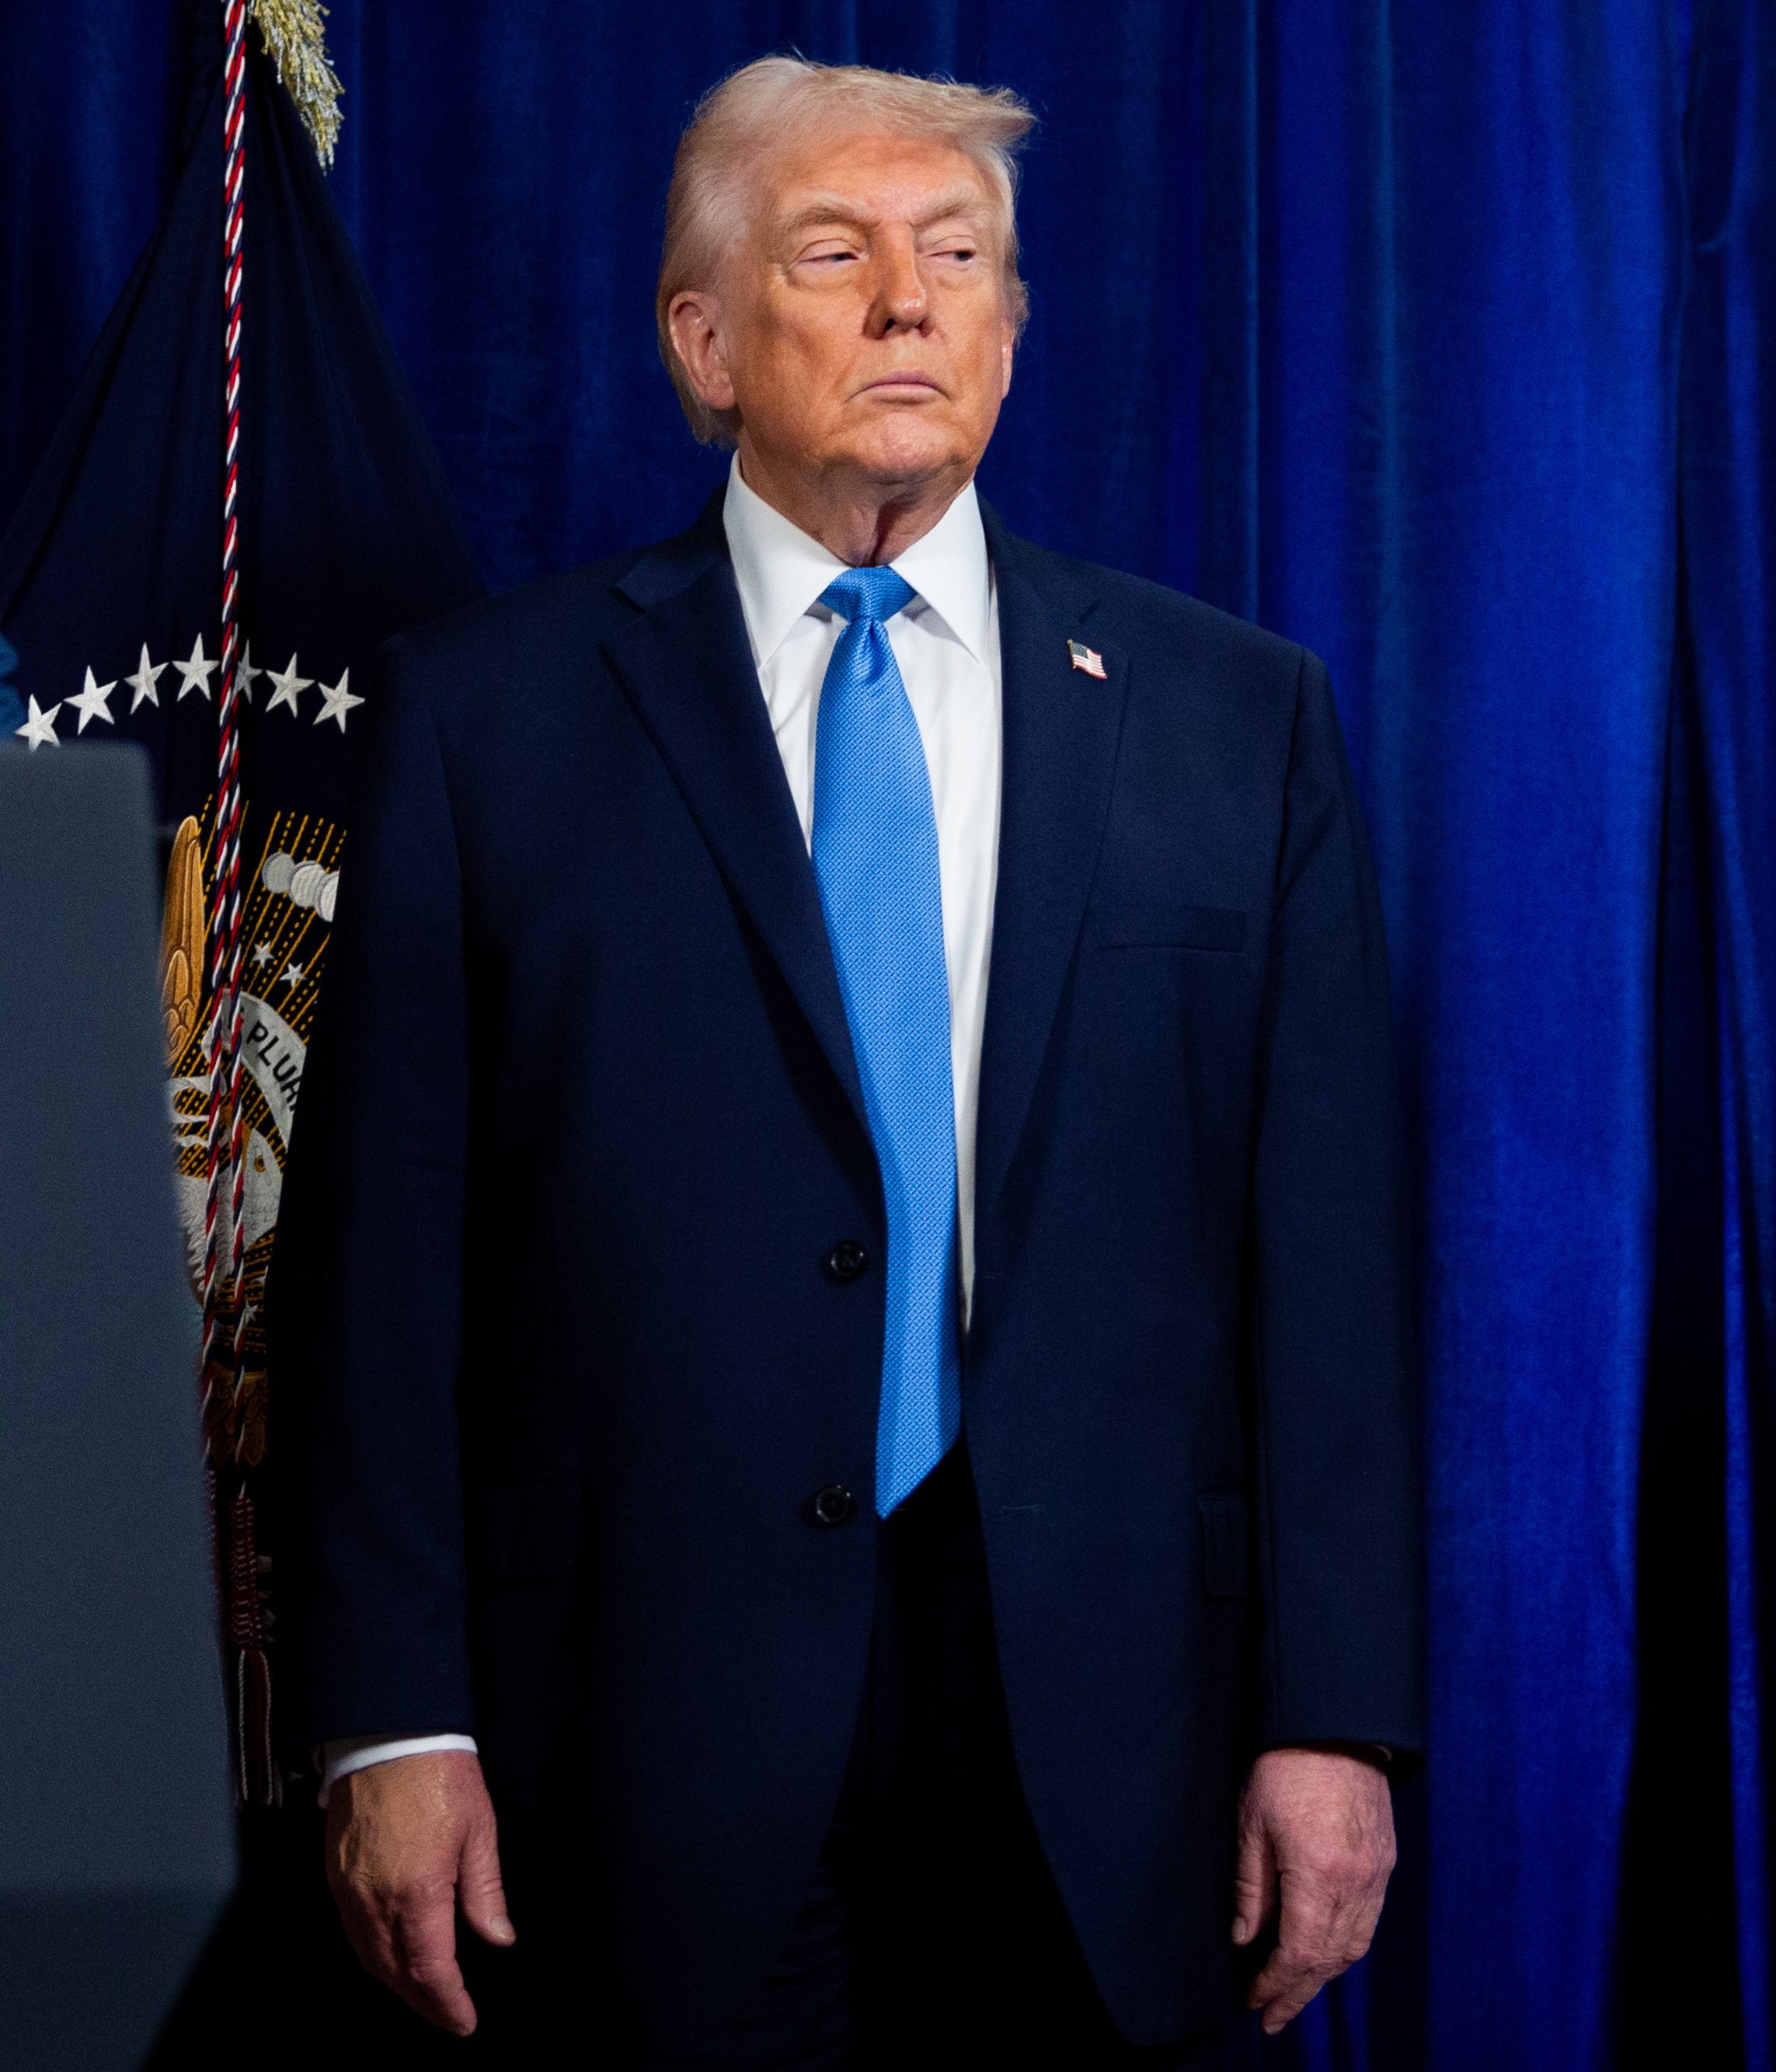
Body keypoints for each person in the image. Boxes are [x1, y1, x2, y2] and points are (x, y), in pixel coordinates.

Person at [276, 56, 1420, 2066]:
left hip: (1109, 1731)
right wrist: (393, 1710)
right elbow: (376, 1260)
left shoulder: (1236, 718)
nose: (911, 302)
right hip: (628, 1728)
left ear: (1008, 327)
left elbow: (1323, 1261)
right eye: (839, 251)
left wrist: (1332, 1711)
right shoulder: (490, 716)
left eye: (959, 257)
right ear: (701, 340)